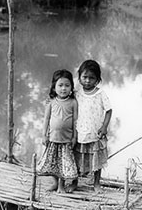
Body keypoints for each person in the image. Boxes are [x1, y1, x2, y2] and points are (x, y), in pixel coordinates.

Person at [36, 69, 79, 193]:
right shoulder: (51, 102)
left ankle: (61, 185)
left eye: (67, 85)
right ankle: (55, 183)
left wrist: (74, 137)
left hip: (66, 140)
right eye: (60, 85)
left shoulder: (73, 102)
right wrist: (44, 135)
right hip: (53, 138)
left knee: (63, 165)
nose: (63, 88)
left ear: (71, 87)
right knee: (52, 162)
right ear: (54, 87)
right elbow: (46, 119)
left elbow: (76, 121)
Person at [73, 59, 112, 191]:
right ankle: (74, 182)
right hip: (80, 132)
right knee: (77, 158)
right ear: (79, 77)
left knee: (97, 161)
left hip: (95, 133)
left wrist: (104, 127)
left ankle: (96, 183)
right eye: (85, 77)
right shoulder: (77, 93)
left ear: (97, 79)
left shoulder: (100, 94)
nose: (88, 81)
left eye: (91, 78)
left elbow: (108, 110)